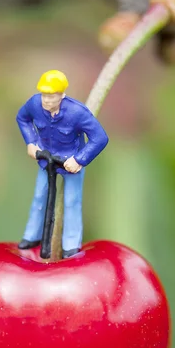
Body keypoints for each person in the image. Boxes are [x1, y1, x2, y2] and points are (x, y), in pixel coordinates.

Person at [16, 70, 109, 258]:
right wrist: (31, 143)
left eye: (51, 96)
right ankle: (32, 235)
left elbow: (99, 138)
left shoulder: (77, 113)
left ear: (61, 95)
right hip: (46, 159)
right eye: (45, 95)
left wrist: (79, 159)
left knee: (72, 201)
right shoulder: (34, 104)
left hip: (70, 162)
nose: (47, 100)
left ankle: (71, 244)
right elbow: (22, 118)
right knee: (39, 196)